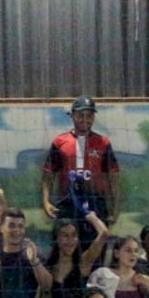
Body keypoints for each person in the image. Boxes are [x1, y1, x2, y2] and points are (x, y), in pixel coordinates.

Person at [42, 95, 119, 223]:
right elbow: (48, 174)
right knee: (67, 241)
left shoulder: (103, 143)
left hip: (96, 203)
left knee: (96, 241)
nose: (85, 119)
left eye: (89, 115)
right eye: (80, 115)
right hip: (67, 202)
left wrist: (115, 209)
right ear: (72, 116)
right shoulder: (60, 142)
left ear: (93, 117)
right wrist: (46, 202)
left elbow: (114, 178)